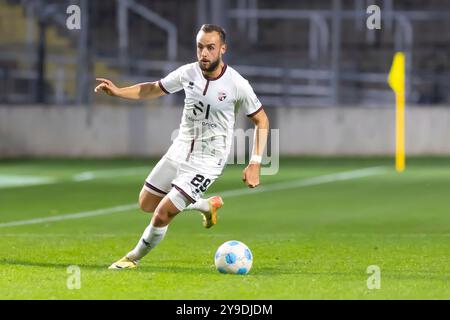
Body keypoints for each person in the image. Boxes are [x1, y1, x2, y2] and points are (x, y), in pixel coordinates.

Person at [94, 24, 269, 269]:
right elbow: (154, 88)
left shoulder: (237, 84)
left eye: (210, 47)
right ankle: (205, 204)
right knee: (146, 203)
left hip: (207, 160)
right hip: (180, 149)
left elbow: (261, 120)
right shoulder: (188, 73)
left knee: (163, 213)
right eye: (200, 47)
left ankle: (132, 258)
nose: (204, 53)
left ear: (222, 49)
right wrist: (118, 91)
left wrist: (255, 163)